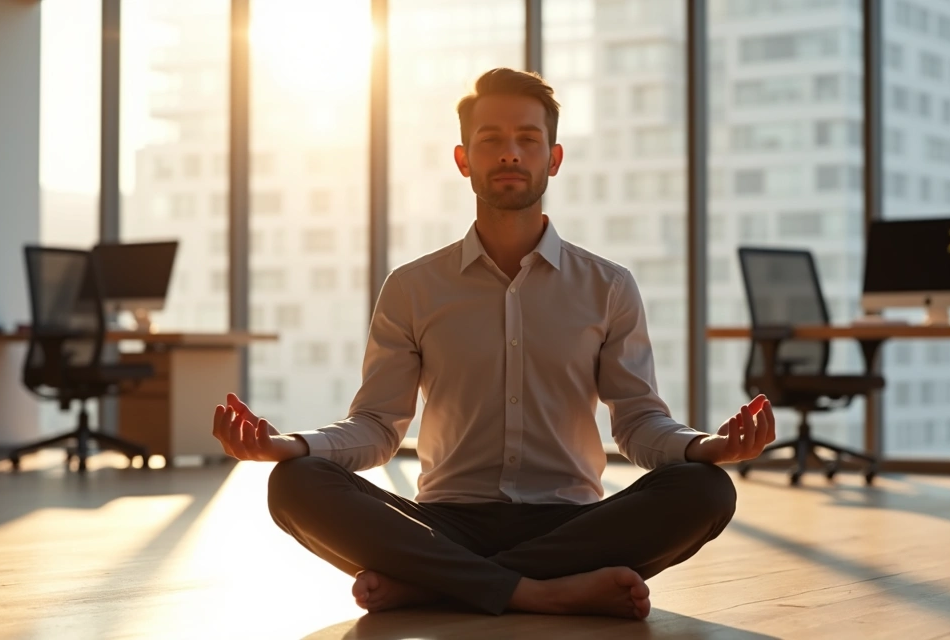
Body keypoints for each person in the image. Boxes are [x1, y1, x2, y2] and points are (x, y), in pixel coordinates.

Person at [211, 68, 776, 621]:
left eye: (528, 139)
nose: (510, 153)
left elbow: (636, 422)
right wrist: (292, 445)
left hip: (573, 524)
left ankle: (439, 582)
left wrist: (707, 446)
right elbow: (379, 427)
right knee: (294, 483)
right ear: (465, 160)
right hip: (446, 521)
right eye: (492, 140)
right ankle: (540, 592)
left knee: (706, 491)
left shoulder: (608, 286)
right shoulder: (412, 287)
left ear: (553, 159)